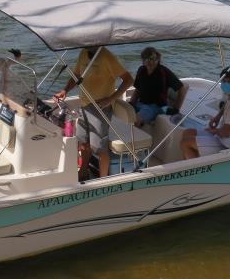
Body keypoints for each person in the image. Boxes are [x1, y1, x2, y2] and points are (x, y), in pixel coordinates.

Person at [53, 46, 134, 179]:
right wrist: (64, 91)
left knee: (99, 147)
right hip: (84, 105)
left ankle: (103, 180)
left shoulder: (107, 56)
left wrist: (111, 98)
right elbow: (77, 76)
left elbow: (129, 79)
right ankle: (83, 171)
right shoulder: (83, 53)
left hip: (100, 107)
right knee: (82, 142)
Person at [180, 64, 230, 159]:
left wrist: (214, 131)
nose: (226, 84)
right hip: (224, 136)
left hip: (229, 143)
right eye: (224, 81)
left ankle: (194, 170)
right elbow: (227, 103)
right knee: (188, 132)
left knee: (185, 143)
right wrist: (217, 117)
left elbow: (225, 132)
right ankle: (194, 160)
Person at [130, 46, 187, 127]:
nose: (151, 62)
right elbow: (137, 89)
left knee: (136, 120)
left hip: (156, 106)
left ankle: (135, 138)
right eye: (147, 59)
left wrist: (176, 109)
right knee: (124, 111)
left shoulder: (163, 72)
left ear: (158, 59)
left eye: (154, 59)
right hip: (141, 103)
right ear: (143, 61)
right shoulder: (141, 70)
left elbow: (182, 88)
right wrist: (131, 103)